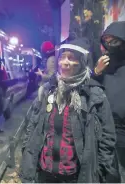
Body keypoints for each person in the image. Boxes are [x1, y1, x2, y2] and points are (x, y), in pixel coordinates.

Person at [20, 38, 117, 183]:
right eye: (62, 57)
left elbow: (107, 138)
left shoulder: (94, 95)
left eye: (71, 58)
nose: (65, 62)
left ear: (82, 62)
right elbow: (31, 125)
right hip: (44, 173)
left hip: (75, 177)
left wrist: (100, 170)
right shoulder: (47, 90)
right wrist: (27, 155)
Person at [93, 21, 125, 182]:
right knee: (110, 173)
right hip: (107, 128)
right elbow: (91, 90)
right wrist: (96, 72)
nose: (110, 46)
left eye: (115, 41)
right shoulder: (104, 63)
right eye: (107, 42)